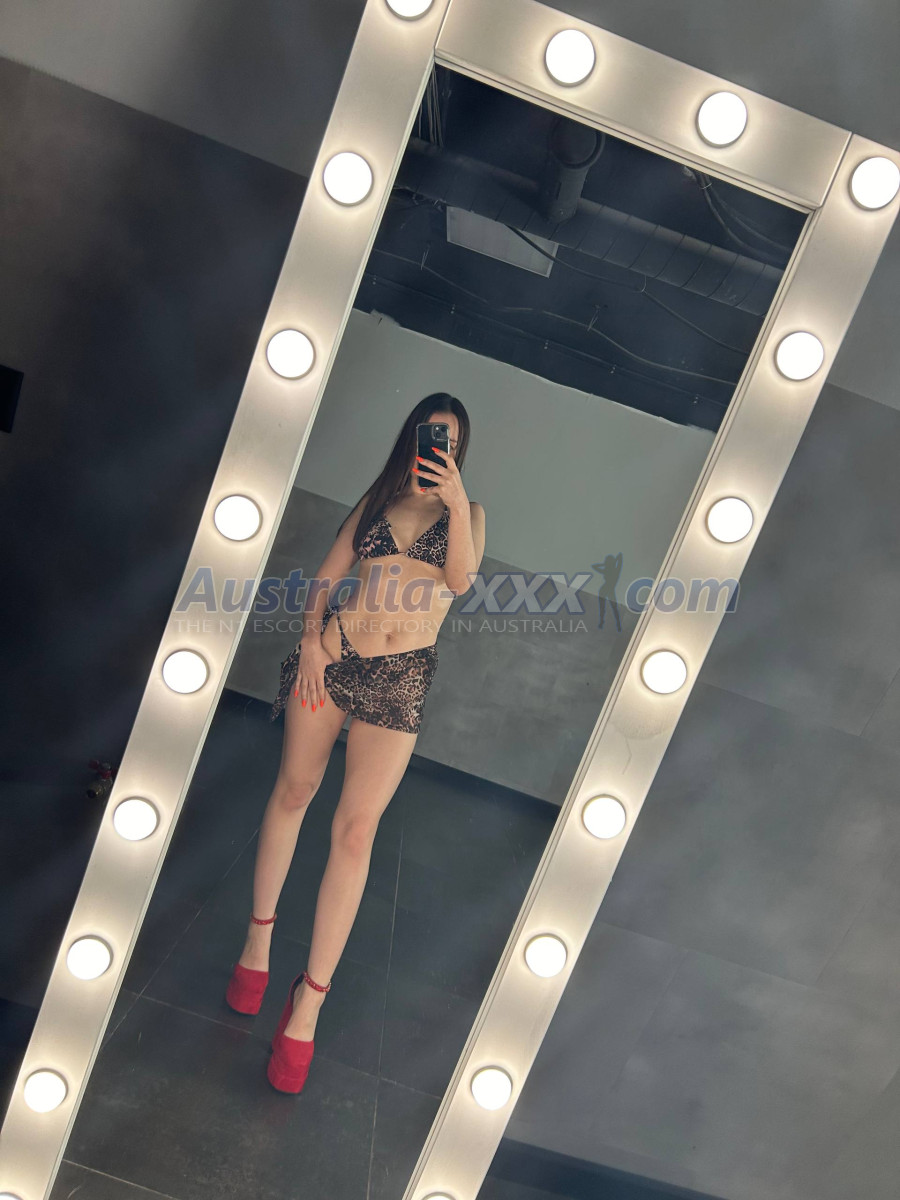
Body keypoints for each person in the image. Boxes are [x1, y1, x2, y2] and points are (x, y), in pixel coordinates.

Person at [225, 393, 486, 1093]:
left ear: (460, 451)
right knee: (294, 791)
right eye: (433, 435)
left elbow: (460, 581)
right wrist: (311, 641)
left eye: (452, 441)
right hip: (335, 655)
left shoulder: (468, 513)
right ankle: (257, 941)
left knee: (356, 831)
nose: (440, 448)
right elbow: (326, 577)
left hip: (402, 677)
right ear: (413, 436)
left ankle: (308, 1002)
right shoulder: (377, 501)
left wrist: (456, 504)